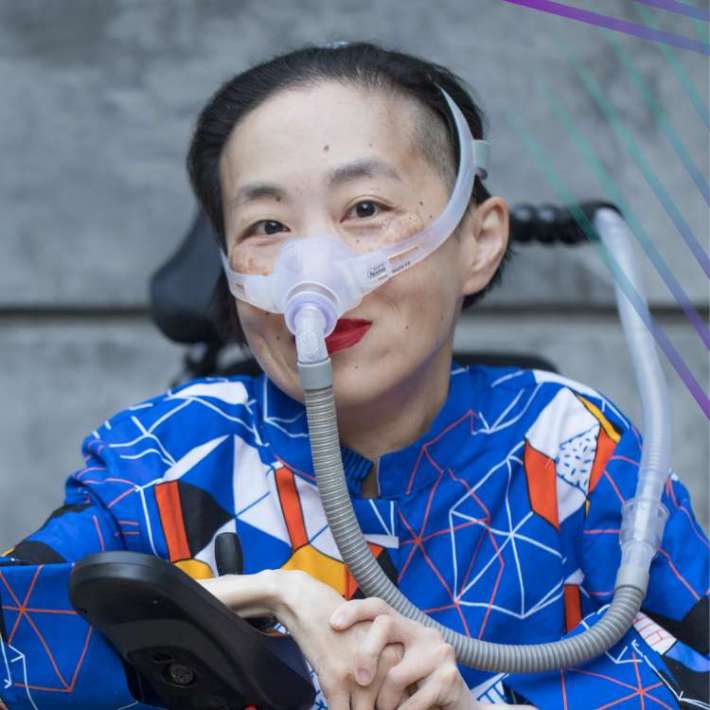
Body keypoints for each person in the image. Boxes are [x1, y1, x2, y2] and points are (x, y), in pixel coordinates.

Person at [0, 42, 707, 710]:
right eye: (267, 226)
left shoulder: (574, 446)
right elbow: (17, 633)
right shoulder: (160, 454)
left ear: (479, 241)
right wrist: (253, 596)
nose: (315, 271)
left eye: (365, 210)